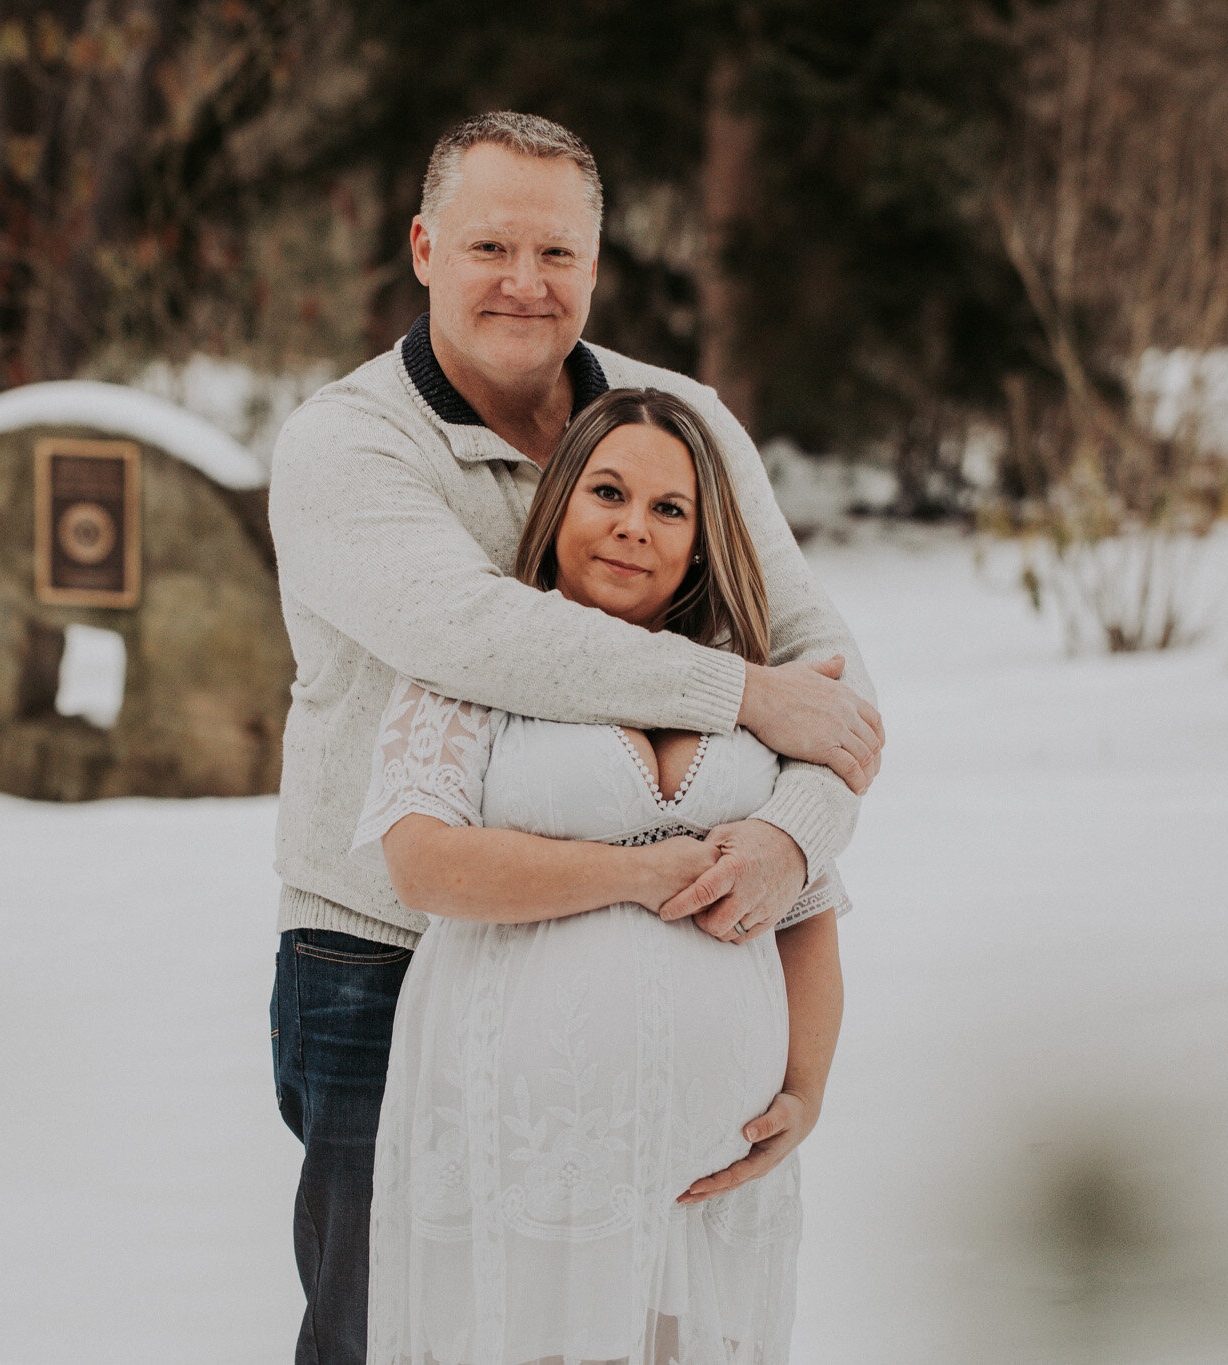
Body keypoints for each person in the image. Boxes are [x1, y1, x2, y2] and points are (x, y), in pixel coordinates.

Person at [267, 111, 881, 1365]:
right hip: (380, 963)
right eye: (489, 244)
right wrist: (742, 697)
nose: (522, 283)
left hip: (665, 1068)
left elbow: (825, 674)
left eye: (556, 253)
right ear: (424, 246)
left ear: (597, 265)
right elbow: (484, 636)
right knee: (389, 1331)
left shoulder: (682, 424)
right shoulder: (349, 442)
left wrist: (787, 840)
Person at [356, 387, 845, 1365]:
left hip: (707, 1166)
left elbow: (809, 902)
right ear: (558, 507)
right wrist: (633, 877)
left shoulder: (753, 684)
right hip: (529, 1146)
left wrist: (803, 1089)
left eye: (668, 510)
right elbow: (424, 863)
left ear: (702, 541)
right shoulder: (476, 663)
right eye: (607, 493)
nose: (633, 528)